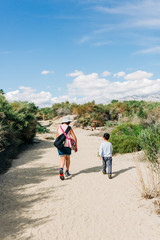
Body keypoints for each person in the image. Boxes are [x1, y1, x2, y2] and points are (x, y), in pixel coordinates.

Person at [56, 116, 77, 180]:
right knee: (68, 158)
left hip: (60, 146)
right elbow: (74, 137)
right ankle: (67, 171)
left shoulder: (59, 128)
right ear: (68, 122)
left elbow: (57, 138)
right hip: (67, 145)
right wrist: (75, 146)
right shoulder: (69, 128)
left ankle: (61, 169)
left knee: (62, 159)